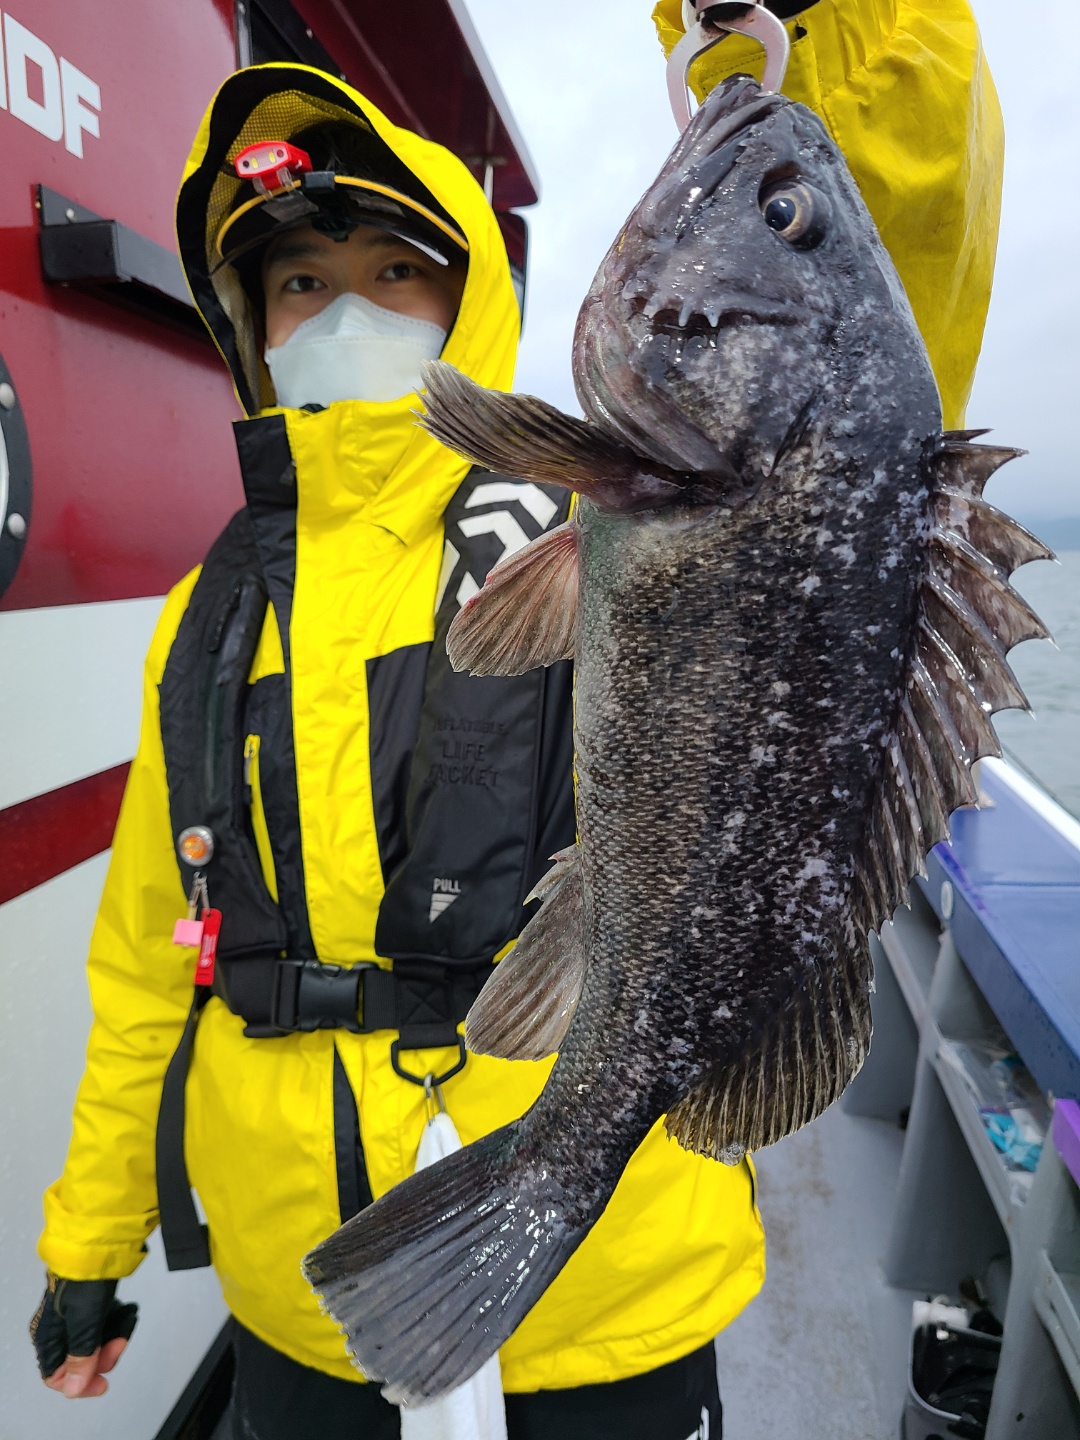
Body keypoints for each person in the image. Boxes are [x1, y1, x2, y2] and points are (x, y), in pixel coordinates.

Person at [30, 63, 765, 1439]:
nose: (345, 313)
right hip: (297, 1292)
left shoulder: (615, 535)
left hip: (593, 1291)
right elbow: (146, 961)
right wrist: (91, 1234)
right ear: (249, 324)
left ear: (467, 300)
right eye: (302, 284)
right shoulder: (207, 613)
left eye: (393, 273)